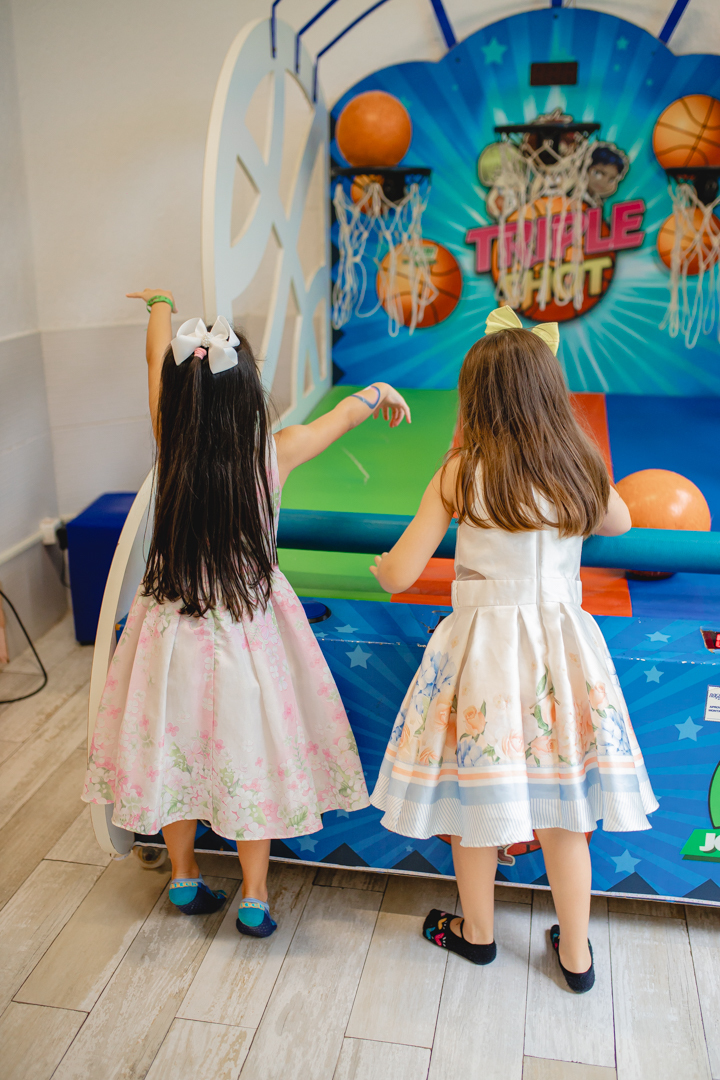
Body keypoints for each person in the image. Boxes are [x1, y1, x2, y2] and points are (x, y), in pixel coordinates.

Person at [83, 288, 411, 938]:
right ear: (247, 396)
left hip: (170, 628)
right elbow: (340, 419)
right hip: (246, 631)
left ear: (180, 398)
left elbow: (154, 360)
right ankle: (255, 895)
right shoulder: (274, 451)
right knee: (249, 755)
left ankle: (183, 876)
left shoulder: (169, 441)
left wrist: (160, 304)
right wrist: (378, 393)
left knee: (174, 750)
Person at [368, 306, 657, 993]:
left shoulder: (460, 472)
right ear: (549, 394)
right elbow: (621, 521)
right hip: (561, 657)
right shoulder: (575, 467)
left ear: (476, 400)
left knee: (476, 803)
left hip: (484, 660)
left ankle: (478, 934)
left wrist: (381, 568)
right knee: (565, 814)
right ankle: (577, 954)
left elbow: (401, 572)